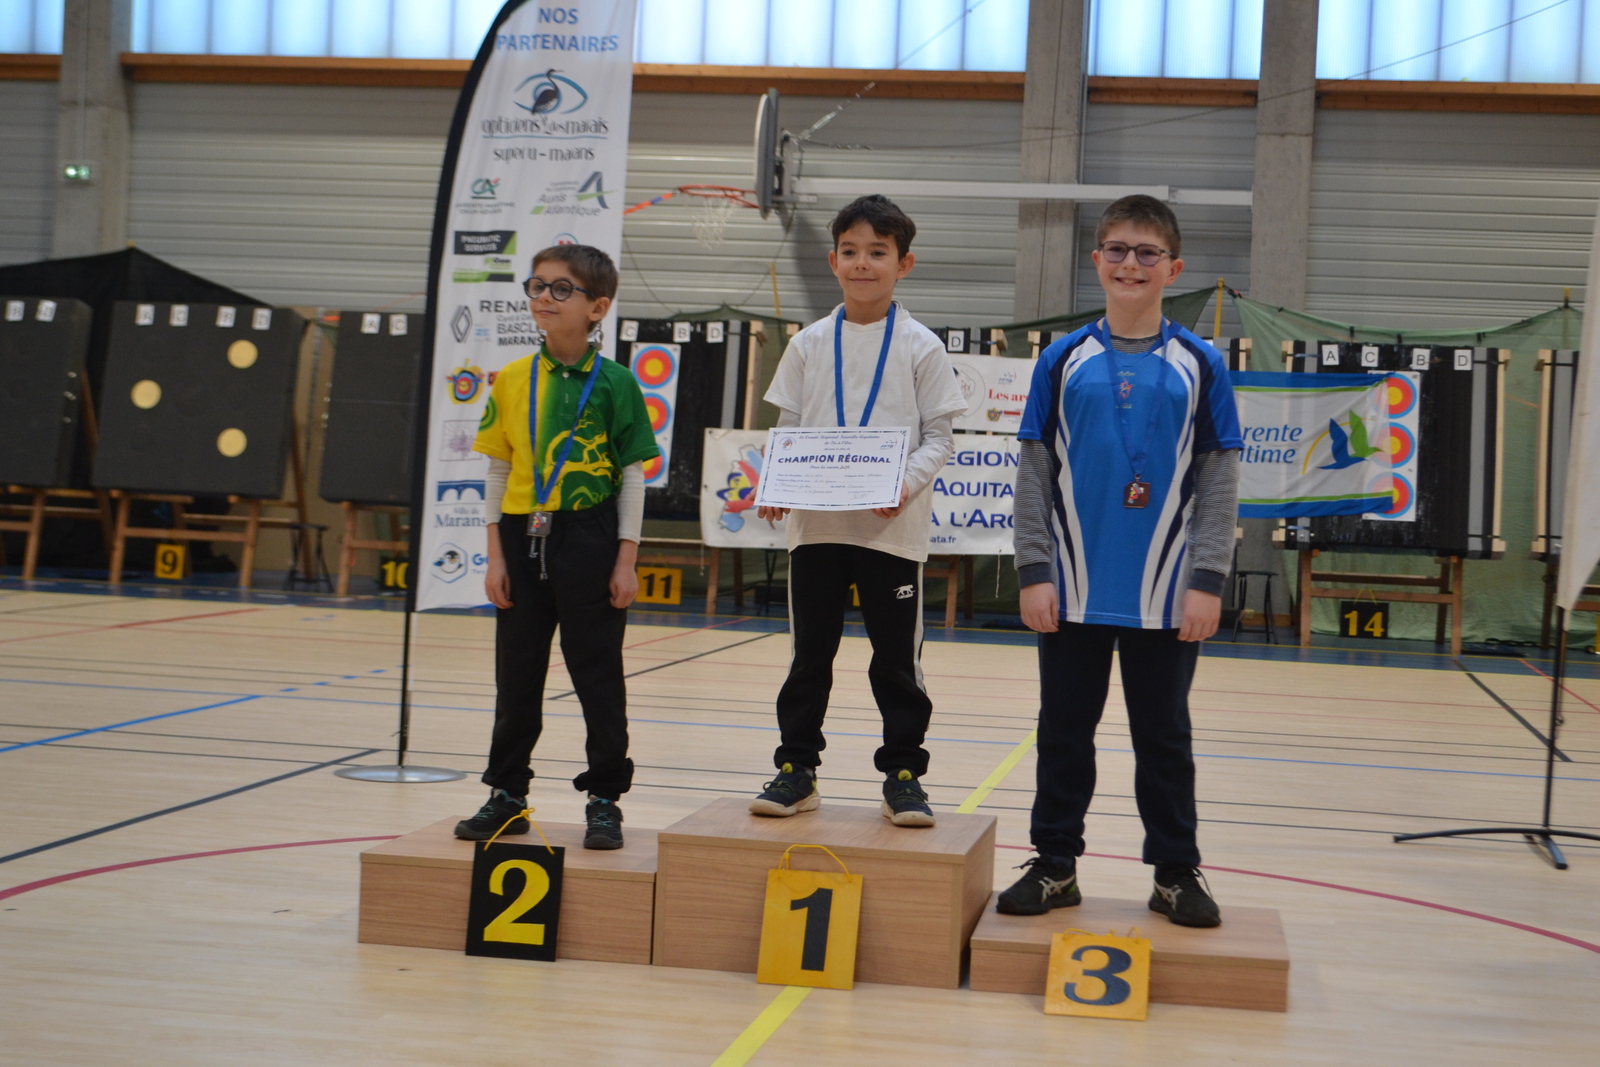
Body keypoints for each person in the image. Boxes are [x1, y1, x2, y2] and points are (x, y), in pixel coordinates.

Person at [996, 195, 1242, 927]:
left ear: (1174, 268)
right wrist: (1034, 571)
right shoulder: (1061, 359)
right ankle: (1055, 864)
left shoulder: (1201, 363)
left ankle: (1174, 870)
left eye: (1146, 252)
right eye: (1117, 250)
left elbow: (1220, 479)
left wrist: (1208, 580)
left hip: (1167, 592)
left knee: (1164, 737)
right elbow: (1034, 472)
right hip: (1071, 586)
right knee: (1062, 732)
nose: (1131, 264)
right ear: (1096, 260)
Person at [749, 195, 968, 827]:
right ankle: (797, 770)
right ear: (833, 260)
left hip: (890, 532)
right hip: (815, 530)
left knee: (896, 662)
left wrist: (903, 485)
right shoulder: (809, 343)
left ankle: (903, 775)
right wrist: (777, 480)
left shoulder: (921, 346)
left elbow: (941, 439)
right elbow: (788, 428)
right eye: (850, 252)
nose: (862, 264)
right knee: (808, 657)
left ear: (904, 264)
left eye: (878, 252)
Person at [452, 244, 660, 850]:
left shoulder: (617, 382)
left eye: (561, 288)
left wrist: (625, 560)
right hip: (523, 536)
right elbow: (497, 472)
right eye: (537, 285)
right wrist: (496, 557)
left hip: (590, 536)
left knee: (598, 675)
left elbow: (631, 477)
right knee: (517, 676)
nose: (544, 297)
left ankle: (604, 798)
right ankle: (507, 793)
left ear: (598, 307)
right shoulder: (514, 379)